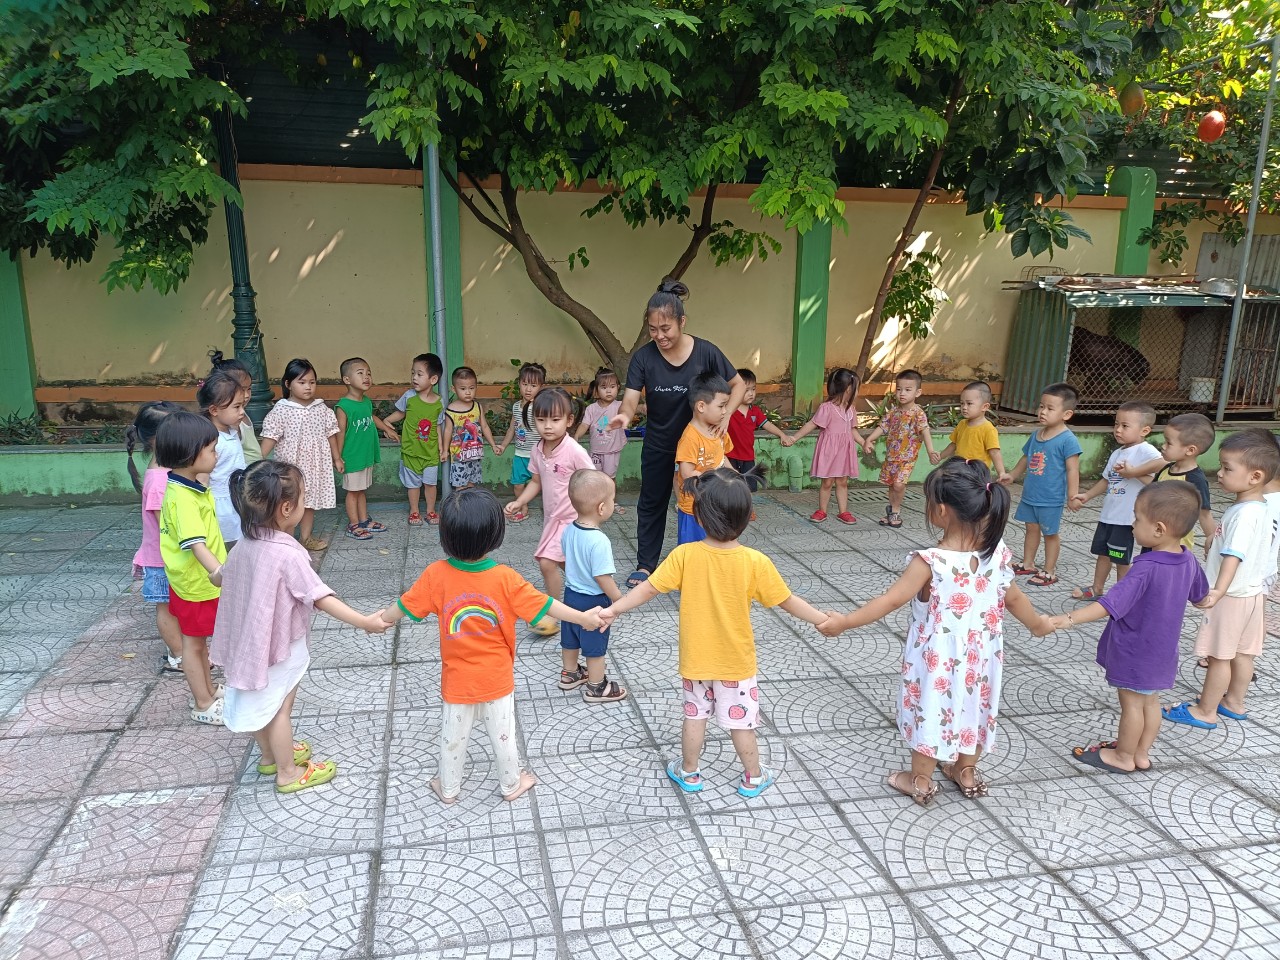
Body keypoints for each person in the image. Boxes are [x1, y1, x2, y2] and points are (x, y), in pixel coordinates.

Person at [818, 458, 1054, 804]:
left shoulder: (930, 561)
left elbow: (890, 601)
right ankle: (966, 771)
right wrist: (1038, 624)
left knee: (931, 711)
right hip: (982, 657)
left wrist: (844, 621)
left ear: (941, 510)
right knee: (974, 706)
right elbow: (1014, 599)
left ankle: (920, 781)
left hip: (937, 661)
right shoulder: (998, 554)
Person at [599, 469, 831, 798]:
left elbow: (648, 589)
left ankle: (689, 773)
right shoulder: (755, 562)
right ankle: (753, 777)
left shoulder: (685, 555)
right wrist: (822, 620)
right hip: (736, 663)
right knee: (741, 722)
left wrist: (615, 609)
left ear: (698, 516)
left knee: (695, 717)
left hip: (696, 660)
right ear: (747, 517)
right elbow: (787, 601)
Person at [376, 488, 604, 804]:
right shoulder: (505, 579)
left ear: (445, 536)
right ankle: (511, 785)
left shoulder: (435, 575)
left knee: (452, 737)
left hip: (457, 679)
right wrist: (584, 618)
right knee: (504, 736)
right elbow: (547, 604)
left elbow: (404, 605)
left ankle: (448, 789)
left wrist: (379, 621)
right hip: (497, 678)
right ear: (495, 534)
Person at [214, 461, 388, 793]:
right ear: (286, 508)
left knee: (259, 703)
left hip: (248, 646)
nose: (305, 502)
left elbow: (219, 577)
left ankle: (270, 756)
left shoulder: (244, 545)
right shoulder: (288, 554)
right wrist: (364, 621)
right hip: (279, 648)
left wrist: (213, 571)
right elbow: (319, 597)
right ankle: (288, 772)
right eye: (304, 497)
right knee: (280, 709)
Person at [1052, 482, 1208, 773]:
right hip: (1163, 652)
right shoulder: (1188, 557)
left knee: (1132, 706)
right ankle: (1141, 754)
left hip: (1136, 651)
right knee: (1150, 703)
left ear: (1159, 529)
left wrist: (1068, 619)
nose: (1132, 525)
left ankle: (1123, 756)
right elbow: (1201, 597)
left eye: (1137, 518)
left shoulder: (1146, 567)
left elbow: (1109, 604)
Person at [606, 279, 746, 586]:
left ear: (682, 321)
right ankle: (646, 565)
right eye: (653, 329)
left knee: (705, 501)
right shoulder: (644, 357)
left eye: (666, 328)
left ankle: (708, 559)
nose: (659, 336)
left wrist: (726, 416)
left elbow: (737, 384)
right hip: (660, 443)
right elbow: (631, 398)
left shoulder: (706, 352)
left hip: (701, 446)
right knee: (651, 503)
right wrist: (625, 416)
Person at [1163, 430, 1280, 730]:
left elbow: (1234, 556)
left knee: (1219, 657)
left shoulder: (1244, 514)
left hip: (1231, 597)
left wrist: (1218, 591)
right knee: (1243, 653)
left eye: (1227, 468)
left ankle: (1205, 711)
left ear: (1255, 476)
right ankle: (1234, 703)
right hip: (1253, 594)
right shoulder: (1263, 507)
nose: (1219, 474)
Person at [155, 411, 228, 725]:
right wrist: (221, 574)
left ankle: (208, 691)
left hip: (194, 581)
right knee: (194, 644)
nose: (216, 454)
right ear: (190, 455)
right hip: (197, 583)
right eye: (211, 449)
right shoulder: (183, 498)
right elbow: (197, 545)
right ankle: (203, 702)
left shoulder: (187, 485)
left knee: (198, 643)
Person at [504, 387, 594, 638]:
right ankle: (594, 592)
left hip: (573, 520)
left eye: (555, 420)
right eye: (541, 420)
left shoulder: (574, 450)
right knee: (567, 565)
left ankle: (554, 613)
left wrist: (594, 513)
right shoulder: (537, 449)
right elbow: (536, 481)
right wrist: (520, 501)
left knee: (547, 563)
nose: (548, 426)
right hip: (552, 519)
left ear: (569, 420)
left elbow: (593, 480)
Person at [1069, 401, 1164, 600]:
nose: (1118, 430)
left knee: (1121, 558)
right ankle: (1097, 588)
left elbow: (1163, 466)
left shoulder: (1145, 451)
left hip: (1126, 519)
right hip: (1109, 515)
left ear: (1145, 430)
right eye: (1116, 424)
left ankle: (1123, 595)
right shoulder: (1117, 453)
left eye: (1125, 426)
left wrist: (1134, 472)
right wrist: (1087, 495)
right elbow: (1107, 480)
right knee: (1103, 553)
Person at [999, 382, 1082, 586]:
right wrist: (1013, 475)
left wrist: (1073, 495)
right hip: (1031, 494)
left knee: (1050, 533)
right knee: (1031, 528)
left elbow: (1073, 469)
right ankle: (1028, 563)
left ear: (1067, 414)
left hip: (1051, 498)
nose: (1043, 411)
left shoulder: (1068, 440)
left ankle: (1049, 570)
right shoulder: (1036, 434)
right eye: (1041, 406)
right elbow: (1026, 457)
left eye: (1050, 408)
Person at [127, 401, 186, 673]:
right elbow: (170, 527)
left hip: (171, 556)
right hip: (163, 559)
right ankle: (179, 655)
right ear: (158, 439)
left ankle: (183, 649)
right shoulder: (160, 482)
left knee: (176, 606)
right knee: (167, 608)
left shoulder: (167, 472)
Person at [559, 470, 626, 703]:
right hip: (593, 602)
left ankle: (570, 674)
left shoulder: (569, 530)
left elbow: (565, 560)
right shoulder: (599, 541)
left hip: (570, 596)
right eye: (612, 499)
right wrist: (619, 600)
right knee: (595, 645)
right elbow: (602, 577)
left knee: (570, 638)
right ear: (601, 508)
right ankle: (597, 687)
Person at [259, 358, 342, 550]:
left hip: (314, 466)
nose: (308, 387)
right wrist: (258, 459)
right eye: (302, 382)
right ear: (288, 384)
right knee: (287, 502)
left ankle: (306, 537)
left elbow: (331, 434)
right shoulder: (281, 410)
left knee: (308, 501)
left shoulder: (321, 409)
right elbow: (271, 436)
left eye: (312, 382)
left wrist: (336, 458)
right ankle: (286, 540)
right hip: (290, 467)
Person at [861, 369, 938, 528]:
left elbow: (925, 431)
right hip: (891, 456)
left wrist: (931, 451)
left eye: (908, 390)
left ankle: (896, 510)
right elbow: (882, 427)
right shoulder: (893, 412)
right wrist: (869, 439)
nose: (902, 393)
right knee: (891, 484)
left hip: (907, 458)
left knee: (899, 484)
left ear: (918, 392)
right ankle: (891, 511)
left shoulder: (918, 413)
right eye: (899, 389)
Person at [788, 368, 863, 524]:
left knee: (842, 481)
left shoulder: (851, 409)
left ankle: (843, 512)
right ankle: (822, 510)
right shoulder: (827, 408)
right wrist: (794, 437)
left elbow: (853, 430)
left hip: (844, 452)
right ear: (848, 389)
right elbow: (812, 424)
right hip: (829, 451)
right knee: (827, 482)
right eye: (856, 388)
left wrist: (863, 442)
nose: (857, 392)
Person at [334, 357, 393, 540]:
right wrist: (338, 457)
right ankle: (353, 524)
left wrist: (386, 428)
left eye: (368, 373)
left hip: (365, 455)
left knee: (361, 490)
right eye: (360, 373)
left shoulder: (366, 401)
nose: (366, 377)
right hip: (352, 457)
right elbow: (339, 432)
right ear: (347, 379)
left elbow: (371, 417)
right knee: (353, 492)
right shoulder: (343, 406)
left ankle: (364, 520)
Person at [382, 353, 444, 526]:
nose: (414, 377)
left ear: (433, 379)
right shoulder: (409, 396)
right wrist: (386, 422)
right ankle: (414, 511)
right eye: (413, 373)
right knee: (413, 485)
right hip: (410, 451)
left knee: (430, 484)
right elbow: (400, 413)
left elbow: (437, 426)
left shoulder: (439, 402)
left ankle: (430, 511)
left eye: (419, 374)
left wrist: (441, 447)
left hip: (430, 453)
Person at [674, 372, 735, 544]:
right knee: (693, 550)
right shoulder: (690, 438)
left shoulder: (719, 431)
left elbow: (722, 458)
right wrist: (715, 479)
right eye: (721, 406)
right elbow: (687, 474)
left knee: (715, 546)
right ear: (701, 406)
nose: (725, 411)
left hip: (716, 504)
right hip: (694, 508)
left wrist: (734, 475)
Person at [726, 368, 793, 511]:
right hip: (730, 456)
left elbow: (767, 424)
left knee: (749, 486)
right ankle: (731, 510)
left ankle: (747, 510)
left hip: (748, 457)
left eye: (753, 389)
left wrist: (782, 435)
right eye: (746, 390)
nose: (751, 393)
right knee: (730, 485)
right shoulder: (728, 411)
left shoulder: (755, 411)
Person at [1151, 412, 1216, 555]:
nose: (1163, 446)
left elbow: (1204, 514)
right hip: (1153, 538)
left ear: (1190, 450)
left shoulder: (1195, 480)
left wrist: (1213, 543)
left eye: (1169, 443)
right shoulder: (1166, 469)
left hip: (1176, 546)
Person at [197, 368, 248, 548]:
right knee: (224, 547)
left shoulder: (231, 431)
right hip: (221, 507)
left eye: (242, 406)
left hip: (236, 500)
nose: (242, 412)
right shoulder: (211, 441)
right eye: (236, 407)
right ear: (214, 410)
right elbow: (202, 478)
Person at [497, 362, 547, 521]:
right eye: (525, 384)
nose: (528, 389)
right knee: (518, 484)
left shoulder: (540, 407)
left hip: (538, 455)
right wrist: (503, 445)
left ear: (541, 387)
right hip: (520, 454)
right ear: (519, 384)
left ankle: (551, 509)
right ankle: (523, 508)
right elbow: (512, 428)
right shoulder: (516, 407)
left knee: (545, 484)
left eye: (533, 385)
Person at [574, 366, 628, 514]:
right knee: (595, 478)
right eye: (604, 387)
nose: (608, 391)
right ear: (597, 390)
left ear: (618, 387)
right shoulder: (591, 409)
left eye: (612, 387)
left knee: (610, 478)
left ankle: (611, 502)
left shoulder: (620, 406)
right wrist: (577, 436)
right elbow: (584, 425)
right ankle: (596, 502)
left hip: (612, 451)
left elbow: (633, 410)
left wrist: (643, 408)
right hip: (596, 451)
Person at [440, 366, 498, 491]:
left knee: (472, 486)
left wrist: (493, 445)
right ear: (453, 389)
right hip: (459, 457)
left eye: (471, 388)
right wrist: (445, 450)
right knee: (460, 486)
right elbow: (448, 431)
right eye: (463, 389)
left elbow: (484, 426)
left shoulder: (477, 407)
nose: (468, 392)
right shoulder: (451, 410)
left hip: (475, 455)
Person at [937, 381, 1006, 477]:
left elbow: (994, 452)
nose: (964, 407)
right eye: (962, 403)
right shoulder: (962, 424)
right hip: (959, 471)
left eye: (969, 403)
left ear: (984, 407)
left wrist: (1001, 473)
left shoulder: (988, 429)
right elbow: (953, 445)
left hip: (977, 474)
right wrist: (940, 456)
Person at [207, 350, 262, 463]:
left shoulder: (239, 413)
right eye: (242, 389)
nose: (246, 395)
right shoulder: (229, 421)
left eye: (249, 389)